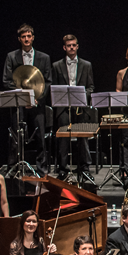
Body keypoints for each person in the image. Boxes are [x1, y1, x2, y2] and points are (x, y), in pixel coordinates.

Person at [1, 24, 53, 168]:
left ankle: (41, 167)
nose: (26, 39)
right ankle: (14, 166)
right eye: (23, 37)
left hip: (37, 103)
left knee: (40, 135)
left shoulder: (44, 57)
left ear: (33, 38)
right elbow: (7, 80)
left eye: (29, 36)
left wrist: (38, 100)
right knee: (15, 135)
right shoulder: (12, 57)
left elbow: (48, 82)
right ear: (19, 39)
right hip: (19, 103)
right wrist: (23, 98)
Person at [51, 34, 95, 175]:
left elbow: (91, 87)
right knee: (63, 137)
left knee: (83, 136)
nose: (71, 47)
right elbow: (54, 87)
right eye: (69, 45)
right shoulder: (56, 66)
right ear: (64, 47)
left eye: (74, 45)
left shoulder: (86, 65)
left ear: (77, 46)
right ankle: (63, 168)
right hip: (64, 107)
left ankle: (84, 167)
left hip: (81, 107)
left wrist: (82, 97)